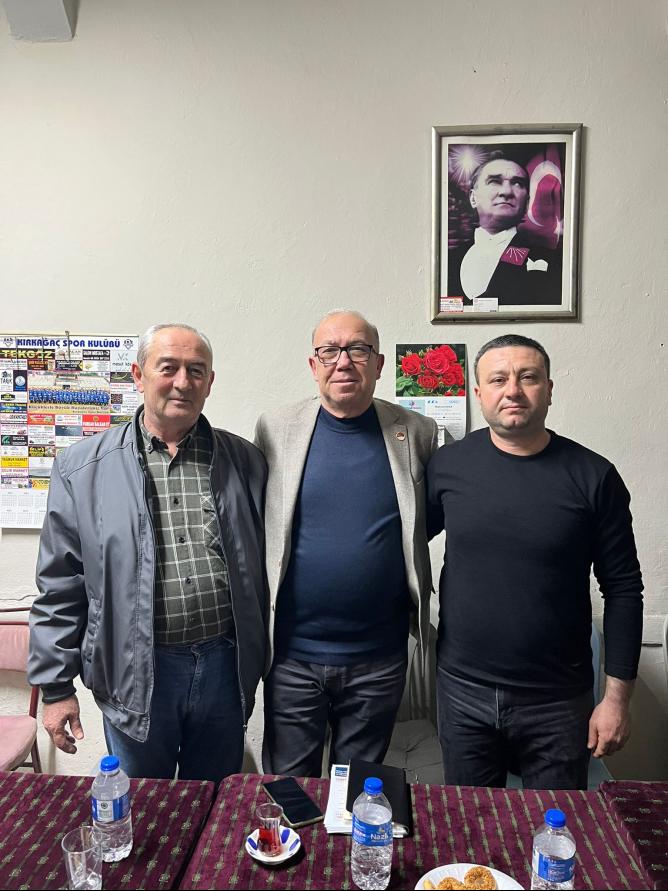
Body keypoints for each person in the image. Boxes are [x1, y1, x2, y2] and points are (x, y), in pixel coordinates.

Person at [28, 323, 267, 782]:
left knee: (214, 801)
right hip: (134, 671)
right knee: (140, 805)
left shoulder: (245, 461)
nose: (182, 382)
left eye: (196, 370)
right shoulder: (82, 469)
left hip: (224, 667)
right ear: (138, 375)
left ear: (210, 382)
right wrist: (55, 688)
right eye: (168, 368)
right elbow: (60, 585)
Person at [427, 333, 643, 790]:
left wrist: (616, 700)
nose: (513, 390)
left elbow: (624, 589)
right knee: (468, 822)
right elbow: (398, 542)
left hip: (557, 702)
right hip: (462, 693)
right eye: (498, 379)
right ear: (479, 392)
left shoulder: (594, 476)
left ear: (548, 389)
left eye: (528, 377)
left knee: (554, 827)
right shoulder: (448, 466)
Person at [255, 309, 438, 777]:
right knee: (289, 789)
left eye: (358, 350)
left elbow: (425, 520)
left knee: (359, 791)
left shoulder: (416, 433)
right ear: (313, 365)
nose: (343, 362)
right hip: (293, 656)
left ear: (378, 364)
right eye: (329, 351)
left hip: (378, 658)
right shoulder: (275, 429)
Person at [448, 153, 562, 306]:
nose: (507, 192)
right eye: (494, 181)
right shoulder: (448, 260)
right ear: (473, 198)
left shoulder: (552, 261)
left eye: (518, 183)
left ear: (527, 203)